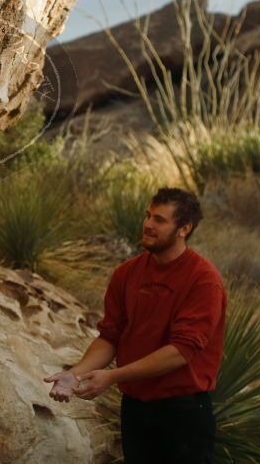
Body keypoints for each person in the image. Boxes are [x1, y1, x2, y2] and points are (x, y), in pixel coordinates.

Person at [44, 187, 226, 464]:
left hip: (183, 413)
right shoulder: (126, 273)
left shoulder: (203, 280)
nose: (148, 225)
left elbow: (180, 351)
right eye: (148, 215)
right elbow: (110, 338)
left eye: (160, 220)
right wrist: (76, 374)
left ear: (184, 229)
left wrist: (113, 377)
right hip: (135, 410)